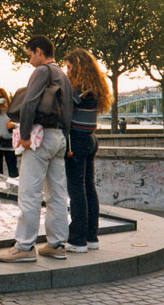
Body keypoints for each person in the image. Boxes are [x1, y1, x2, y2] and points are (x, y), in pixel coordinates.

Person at [0, 35, 73, 263]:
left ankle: (25, 246)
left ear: (39, 51)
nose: (29, 59)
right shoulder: (64, 75)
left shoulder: (41, 71)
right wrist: (64, 139)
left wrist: (26, 135)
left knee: (29, 193)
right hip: (59, 137)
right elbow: (69, 110)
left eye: (30, 54)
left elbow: (29, 102)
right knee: (57, 194)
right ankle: (57, 244)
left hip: (40, 137)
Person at [63, 48, 113, 253]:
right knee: (89, 187)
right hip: (91, 139)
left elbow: (64, 109)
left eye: (68, 66)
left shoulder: (78, 87)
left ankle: (77, 239)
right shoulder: (95, 86)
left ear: (78, 66)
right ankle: (92, 236)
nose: (66, 71)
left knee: (76, 190)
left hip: (77, 140)